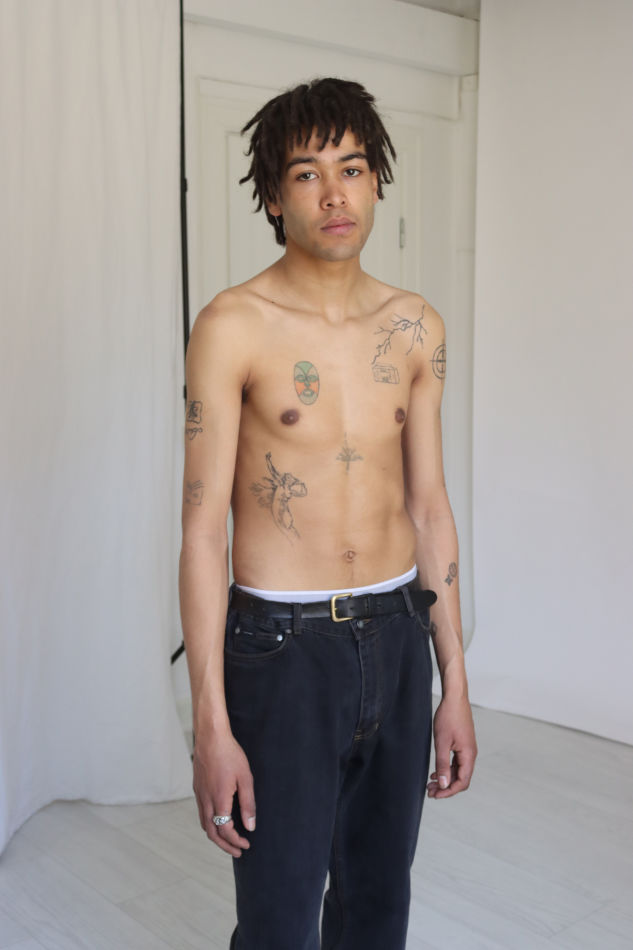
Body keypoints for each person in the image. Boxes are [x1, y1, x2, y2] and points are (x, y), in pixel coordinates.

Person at [178, 76, 477, 950]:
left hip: (397, 635)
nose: (335, 193)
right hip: (282, 650)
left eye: (351, 168)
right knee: (278, 921)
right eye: (307, 174)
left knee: (377, 909)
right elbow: (201, 529)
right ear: (274, 198)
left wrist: (455, 683)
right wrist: (209, 723)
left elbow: (429, 506)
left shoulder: (415, 327)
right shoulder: (232, 325)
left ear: (377, 180)